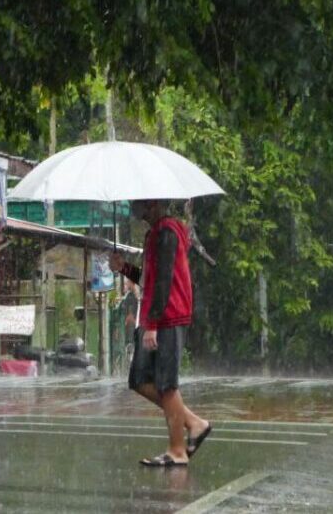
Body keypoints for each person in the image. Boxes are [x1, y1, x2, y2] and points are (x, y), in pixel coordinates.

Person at [108, 200, 211, 467]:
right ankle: (193, 423)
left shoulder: (167, 232)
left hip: (167, 316)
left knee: (166, 383)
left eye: (139, 203)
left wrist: (153, 324)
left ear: (152, 203)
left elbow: (164, 280)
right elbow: (149, 278)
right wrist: (124, 268)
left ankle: (177, 450)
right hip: (153, 315)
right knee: (139, 378)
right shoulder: (154, 233)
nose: (134, 206)